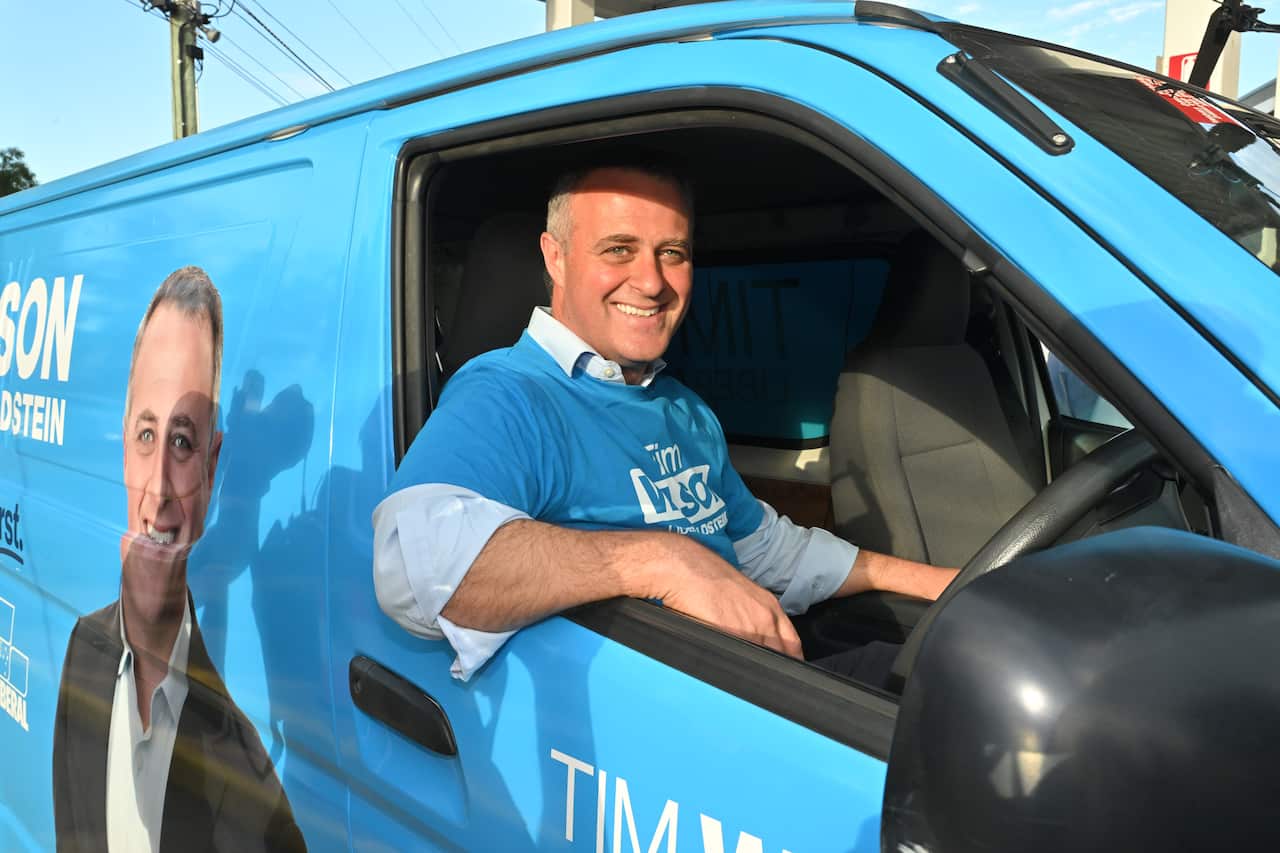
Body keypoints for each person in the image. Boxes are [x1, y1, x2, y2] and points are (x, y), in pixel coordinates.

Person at [372, 162, 958, 684]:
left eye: (672, 252)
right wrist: (662, 560)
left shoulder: (684, 407)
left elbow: (768, 552)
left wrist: (938, 583)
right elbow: (413, 576)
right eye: (619, 249)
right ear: (555, 256)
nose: (652, 282)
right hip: (673, 723)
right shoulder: (508, 392)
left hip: (769, 685)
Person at [52, 266, 305, 853]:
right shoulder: (81, 654)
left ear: (213, 465)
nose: (160, 489)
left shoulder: (255, 787)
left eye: (184, 442)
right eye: (147, 436)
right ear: (122, 447)